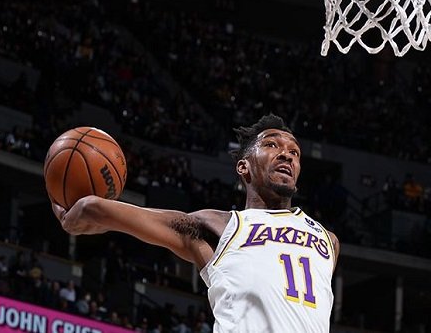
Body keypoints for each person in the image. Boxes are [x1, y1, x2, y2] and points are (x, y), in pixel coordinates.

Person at [52, 114, 340, 332]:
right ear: (244, 167)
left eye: (294, 151)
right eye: (271, 145)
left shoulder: (329, 241)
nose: (286, 153)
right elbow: (112, 212)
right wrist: (76, 213)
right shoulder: (221, 226)